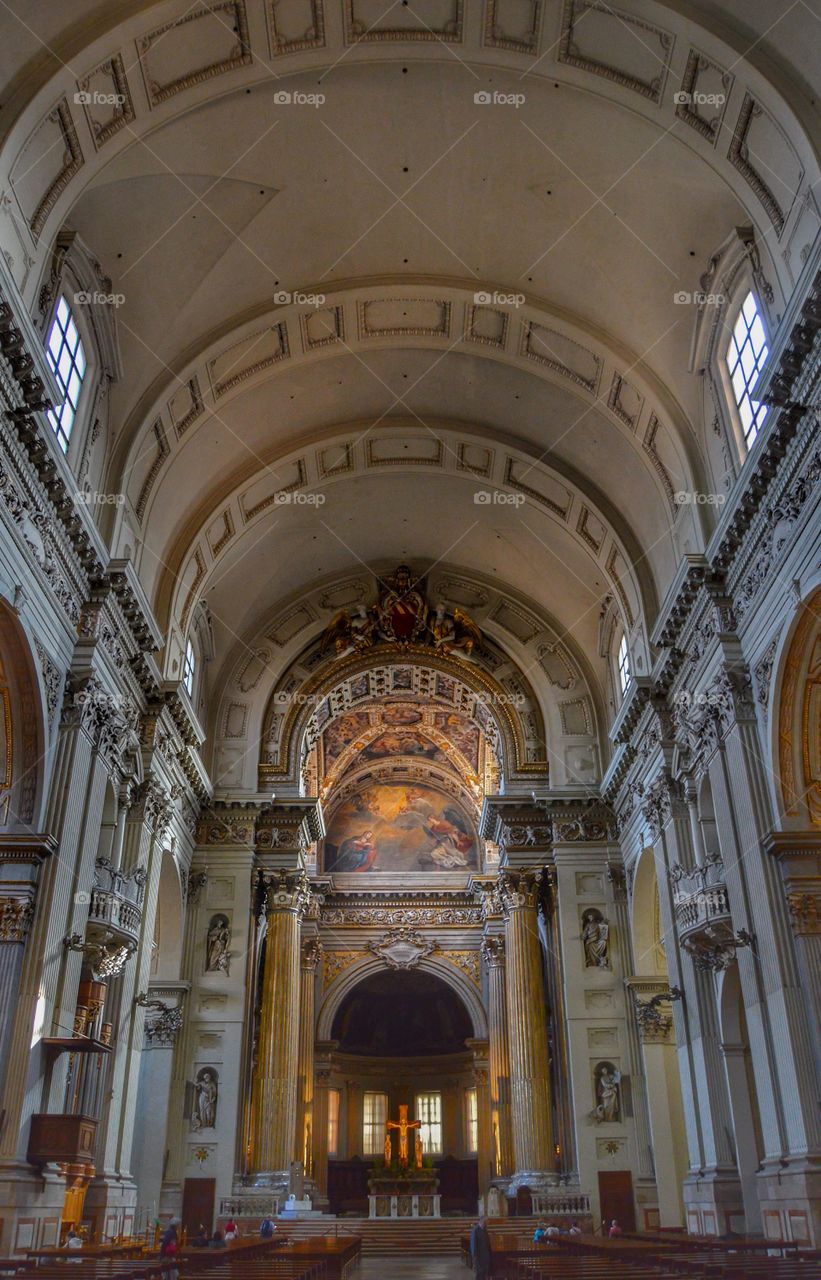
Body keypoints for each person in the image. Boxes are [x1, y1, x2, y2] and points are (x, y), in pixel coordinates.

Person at [469, 1215, 491, 1280]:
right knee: (479, 1275)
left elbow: (487, 1243)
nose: (488, 1222)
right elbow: (473, 1245)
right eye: (487, 1221)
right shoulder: (475, 1230)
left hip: (485, 1257)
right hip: (478, 1258)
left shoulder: (485, 1230)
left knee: (484, 1274)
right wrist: (475, 1259)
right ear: (483, 1221)